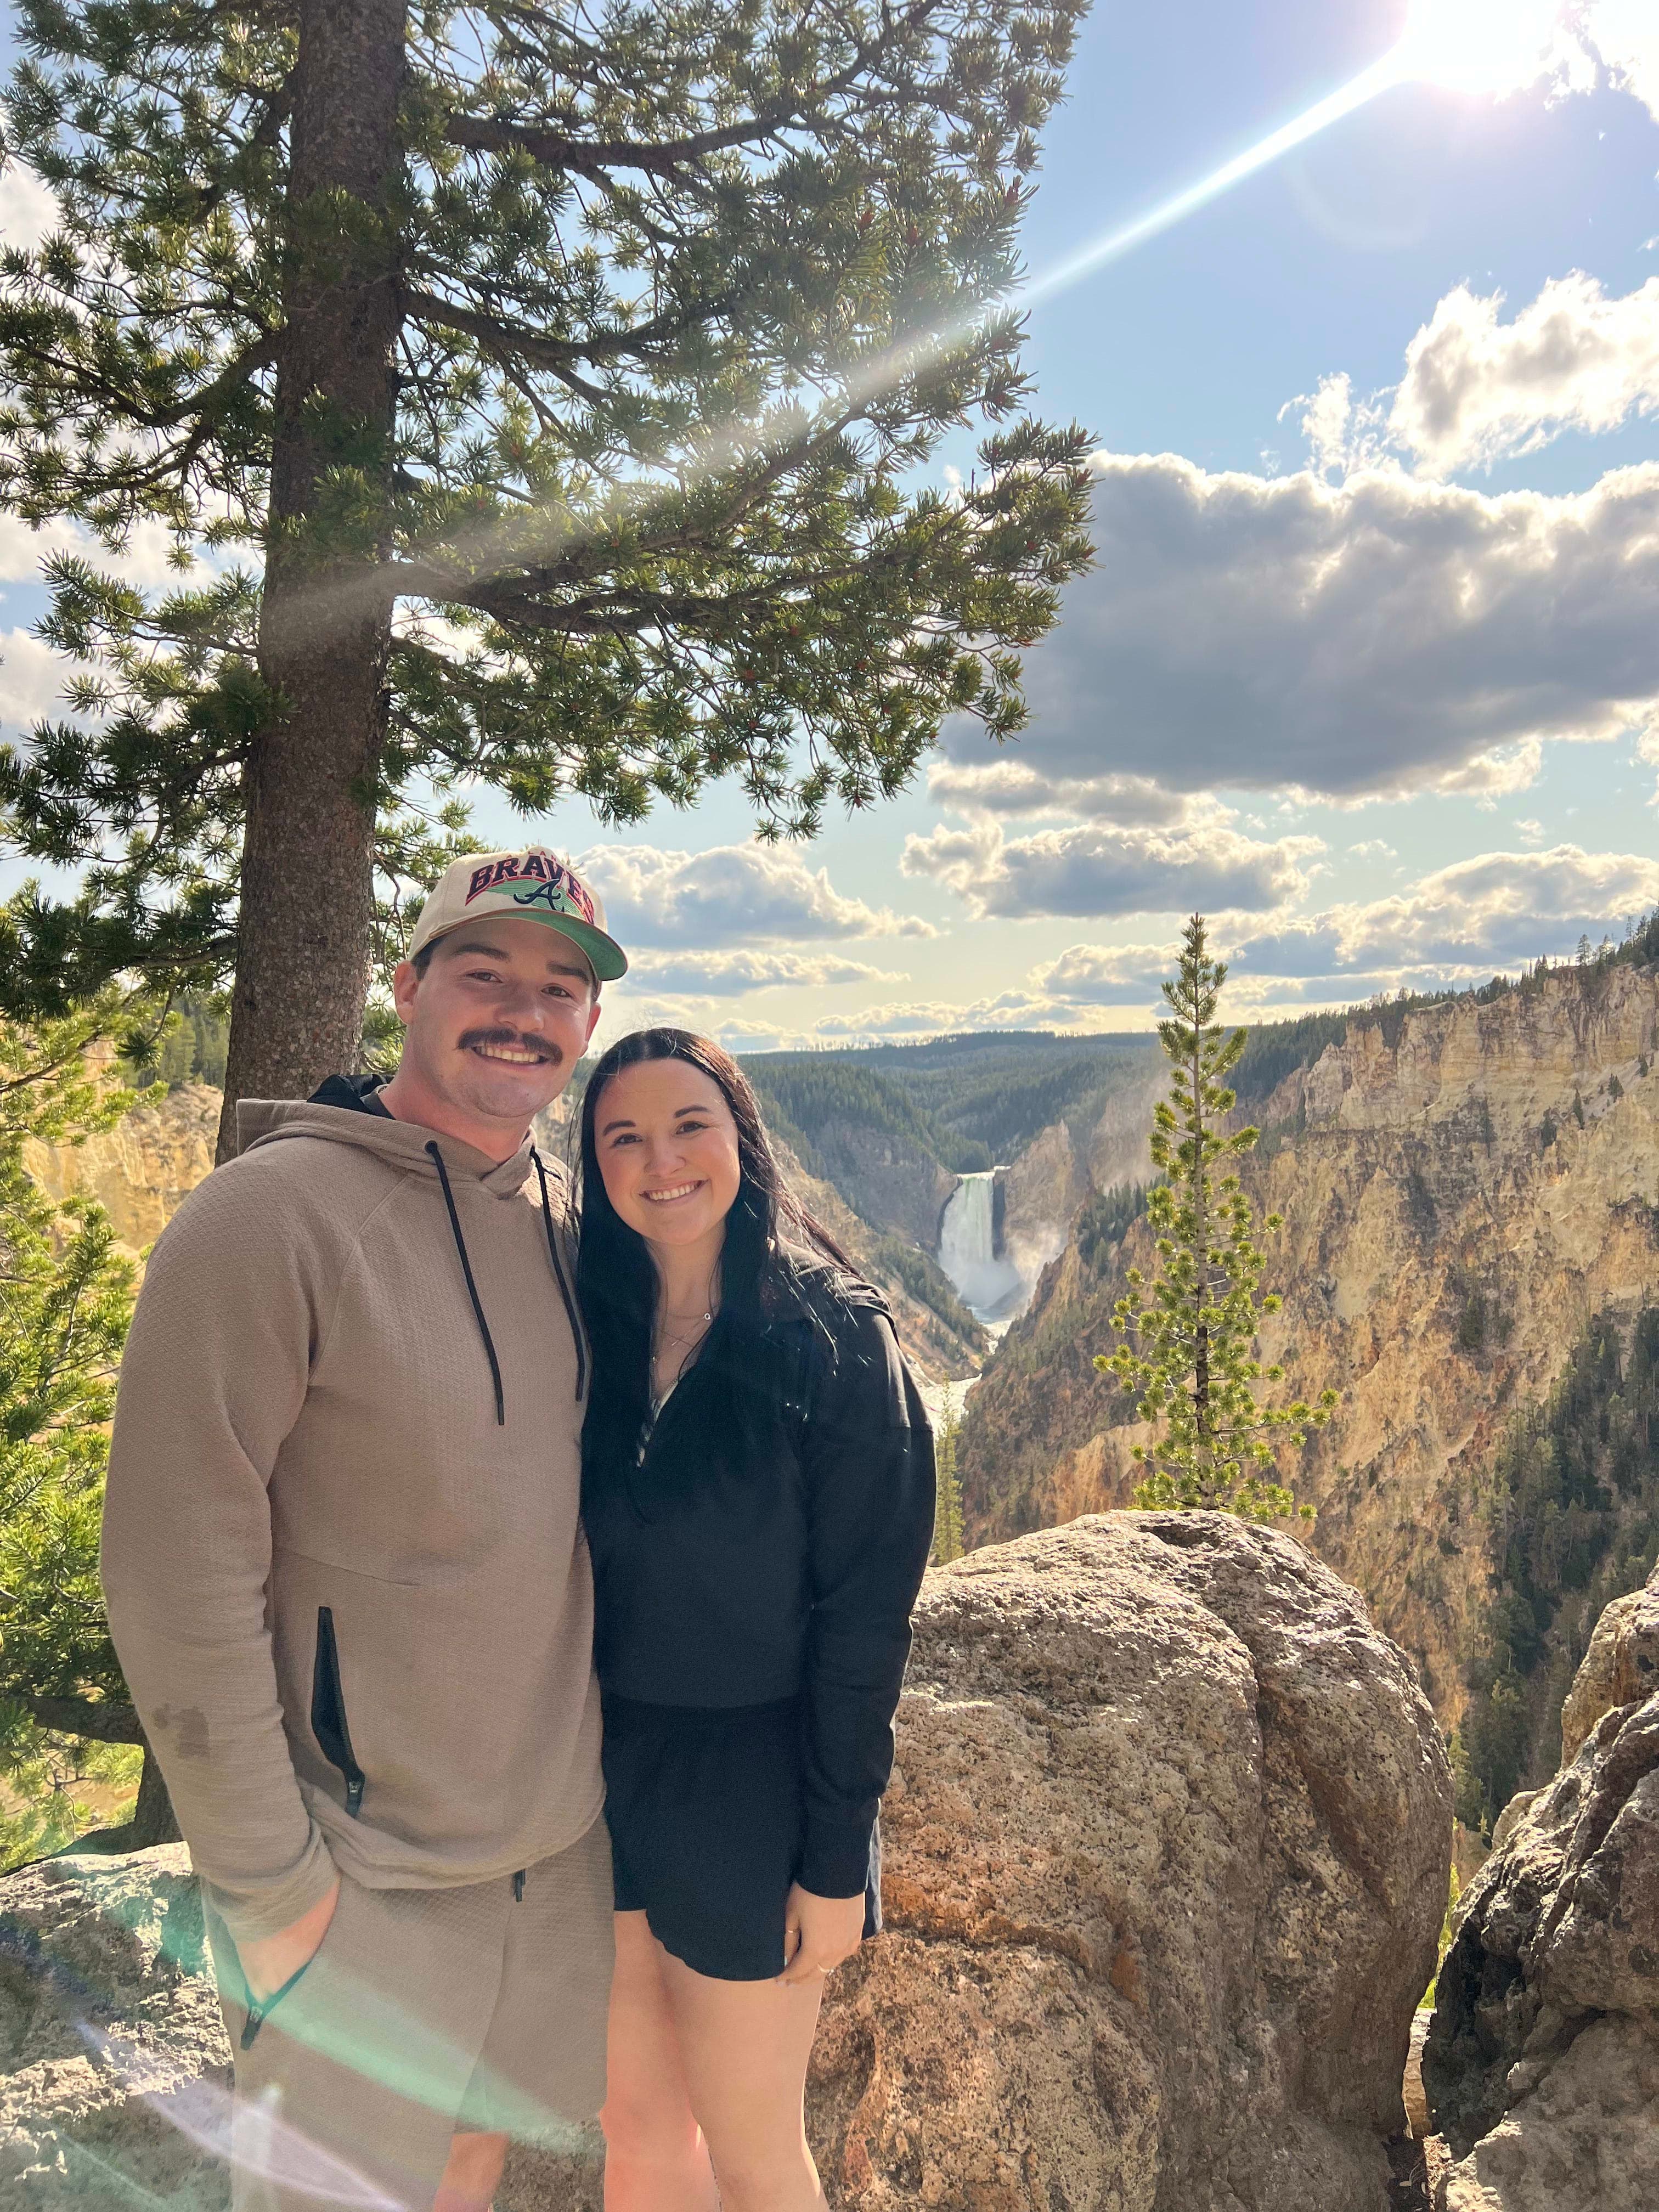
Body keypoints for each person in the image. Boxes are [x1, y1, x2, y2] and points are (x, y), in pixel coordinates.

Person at [101, 848, 629, 2212]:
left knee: (471, 2167)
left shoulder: (568, 1220)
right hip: (360, 1876)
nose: (523, 1009)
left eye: (560, 987)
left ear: (588, 1024)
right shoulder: (267, 1220)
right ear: (405, 986)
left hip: (548, 1853)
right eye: (484, 972)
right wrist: (272, 1892)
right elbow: (170, 1575)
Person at [575, 1027, 936, 2212]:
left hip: (757, 1789)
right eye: (622, 1135)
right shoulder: (592, 1329)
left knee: (753, 2152)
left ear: (743, 1139)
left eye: (690, 1125)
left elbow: (863, 1626)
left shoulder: (832, 1341)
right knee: (636, 2134)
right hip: (604, 1778)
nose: (660, 1160)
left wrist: (836, 1863)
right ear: (593, 1162)